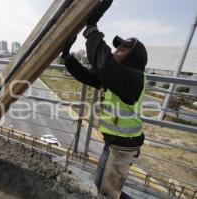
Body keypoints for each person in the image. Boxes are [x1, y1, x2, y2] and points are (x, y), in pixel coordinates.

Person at [61, 0, 148, 198]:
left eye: (123, 49)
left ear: (134, 58)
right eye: (117, 48)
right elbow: (89, 75)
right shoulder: (116, 79)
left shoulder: (133, 79)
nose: (117, 50)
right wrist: (67, 56)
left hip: (124, 147)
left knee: (108, 191)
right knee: (103, 185)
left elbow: (103, 63)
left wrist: (92, 28)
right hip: (115, 143)